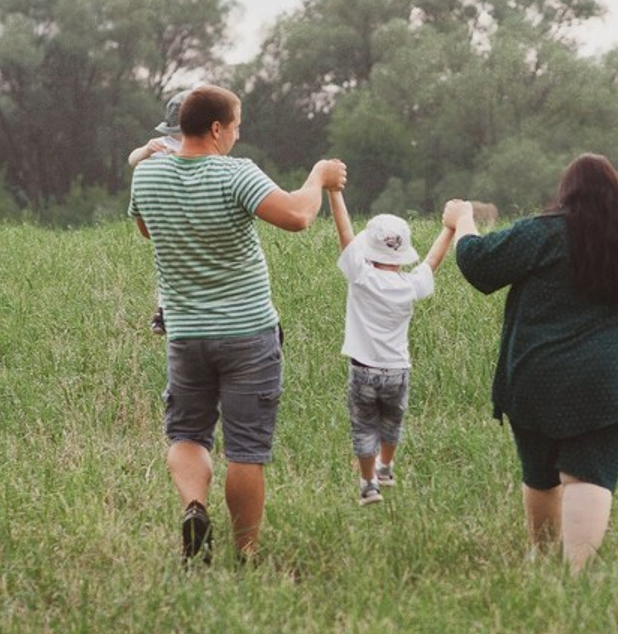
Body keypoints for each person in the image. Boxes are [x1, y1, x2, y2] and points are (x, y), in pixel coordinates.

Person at [129, 83, 347, 565]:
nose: (236, 135)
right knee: (246, 449)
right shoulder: (236, 175)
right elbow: (297, 216)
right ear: (215, 128)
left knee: (187, 435)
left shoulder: (146, 178)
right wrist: (319, 175)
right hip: (248, 333)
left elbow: (147, 227)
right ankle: (246, 552)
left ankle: (193, 506)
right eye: (235, 126)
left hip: (186, 336)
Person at [449, 154, 618, 572]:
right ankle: (576, 574)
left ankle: (542, 560)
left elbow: (477, 263)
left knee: (540, 472)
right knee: (590, 472)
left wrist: (462, 221)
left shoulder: (541, 233)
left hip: (536, 375)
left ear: (565, 194)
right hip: (610, 384)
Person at [326, 192, 457, 505]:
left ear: (369, 251)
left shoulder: (361, 276)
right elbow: (432, 261)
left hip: (363, 370)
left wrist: (334, 192)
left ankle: (368, 483)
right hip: (398, 371)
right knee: (391, 423)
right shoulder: (411, 285)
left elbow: (344, 233)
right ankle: (386, 466)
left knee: (364, 428)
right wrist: (449, 228)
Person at [128, 92, 186, 336]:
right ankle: (164, 310)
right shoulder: (160, 145)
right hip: (168, 211)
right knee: (168, 264)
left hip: (189, 209)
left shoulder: (202, 148)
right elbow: (133, 160)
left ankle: (172, 310)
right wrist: (145, 151)